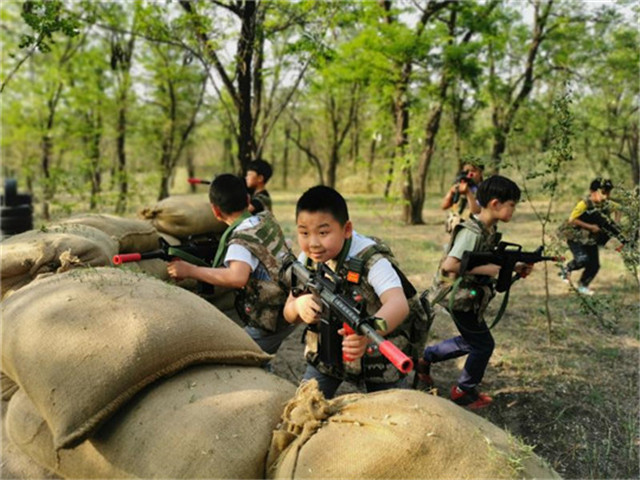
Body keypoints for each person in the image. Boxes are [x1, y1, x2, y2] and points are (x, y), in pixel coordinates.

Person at [283, 185, 432, 399]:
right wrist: (299, 306)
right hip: (328, 350)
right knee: (303, 405)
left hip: (377, 353)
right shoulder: (306, 260)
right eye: (304, 233)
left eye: (323, 232)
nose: (313, 243)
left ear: (346, 229)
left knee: (393, 414)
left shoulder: (371, 261)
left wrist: (368, 332)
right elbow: (288, 312)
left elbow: (399, 305)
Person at [418, 175, 532, 409]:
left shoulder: (488, 229)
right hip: (456, 298)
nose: (513, 210)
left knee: (473, 340)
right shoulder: (472, 232)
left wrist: (515, 268)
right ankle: (463, 391)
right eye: (512, 205)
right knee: (483, 344)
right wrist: (486, 269)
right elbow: (449, 265)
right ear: (495, 204)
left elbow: (489, 261)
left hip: (467, 299)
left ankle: (426, 358)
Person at [167, 174, 295, 356]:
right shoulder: (265, 219)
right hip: (287, 302)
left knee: (235, 357)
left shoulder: (240, 240)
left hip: (271, 316)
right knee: (261, 357)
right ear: (248, 200)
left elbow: (237, 277)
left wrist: (190, 270)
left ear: (215, 210)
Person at [558, 178, 618, 296]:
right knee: (582, 260)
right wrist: (590, 226)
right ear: (592, 191)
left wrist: (616, 222)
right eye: (604, 193)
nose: (607, 196)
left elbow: (618, 209)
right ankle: (566, 270)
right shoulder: (584, 204)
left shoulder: (606, 203)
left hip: (589, 238)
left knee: (594, 265)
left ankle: (583, 285)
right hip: (574, 236)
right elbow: (572, 220)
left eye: (609, 193)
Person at [441, 159, 484, 233]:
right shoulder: (460, 185)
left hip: (472, 230)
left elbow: (476, 211)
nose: (470, 174)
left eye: (473, 171)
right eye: (467, 171)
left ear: (480, 173)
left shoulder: (483, 189)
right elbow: (444, 206)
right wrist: (451, 192)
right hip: (456, 228)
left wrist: (468, 193)